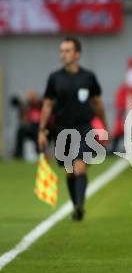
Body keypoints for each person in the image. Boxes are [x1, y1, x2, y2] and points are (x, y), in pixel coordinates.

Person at [38, 37, 108, 221]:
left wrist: (104, 126)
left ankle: (79, 207)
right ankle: (76, 205)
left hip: (84, 128)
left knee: (80, 167)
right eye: (62, 50)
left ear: (77, 54)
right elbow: (47, 105)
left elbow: (97, 103)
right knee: (70, 171)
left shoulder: (88, 77)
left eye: (68, 50)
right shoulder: (54, 78)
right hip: (62, 130)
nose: (63, 54)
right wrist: (41, 130)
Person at [12, 89, 42, 159]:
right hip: (30, 127)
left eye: (33, 97)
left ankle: (40, 154)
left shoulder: (41, 105)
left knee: (38, 132)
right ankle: (18, 154)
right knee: (21, 131)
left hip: (39, 128)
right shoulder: (27, 106)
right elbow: (23, 120)